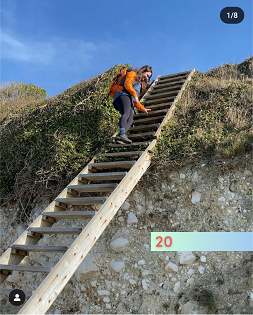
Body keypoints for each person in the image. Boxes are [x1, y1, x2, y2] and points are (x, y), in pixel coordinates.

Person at [113, 65, 152, 144]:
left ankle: (121, 135)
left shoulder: (139, 84)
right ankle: (122, 133)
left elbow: (135, 101)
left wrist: (143, 108)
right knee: (126, 113)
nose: (147, 78)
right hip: (122, 95)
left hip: (127, 98)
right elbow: (127, 84)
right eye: (147, 75)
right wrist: (134, 95)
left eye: (149, 77)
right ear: (143, 71)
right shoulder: (133, 73)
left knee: (130, 119)